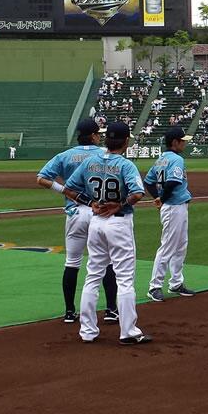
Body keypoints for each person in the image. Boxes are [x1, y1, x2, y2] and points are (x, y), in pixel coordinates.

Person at [62, 121, 150, 344]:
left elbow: (69, 189)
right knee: (124, 278)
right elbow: (138, 193)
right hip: (118, 223)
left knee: (92, 276)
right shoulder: (125, 165)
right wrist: (119, 204)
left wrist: (90, 202)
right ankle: (128, 331)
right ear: (126, 141)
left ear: (107, 140)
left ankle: (88, 331)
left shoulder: (91, 161)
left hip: (96, 222)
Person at [36, 118, 119, 323]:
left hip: (74, 213)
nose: (100, 136)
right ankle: (110, 310)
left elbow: (41, 179)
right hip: (98, 212)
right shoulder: (104, 154)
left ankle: (69, 312)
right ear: (93, 136)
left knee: (72, 263)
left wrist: (64, 190)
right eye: (98, 133)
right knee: (106, 262)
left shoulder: (65, 155)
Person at [143, 126, 196, 302]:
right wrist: (162, 199)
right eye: (182, 140)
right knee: (168, 246)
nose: (184, 143)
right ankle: (154, 286)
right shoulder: (176, 159)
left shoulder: (161, 159)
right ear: (175, 142)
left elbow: (148, 181)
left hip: (176, 207)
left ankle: (176, 282)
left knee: (181, 245)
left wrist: (158, 197)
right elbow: (173, 182)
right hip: (173, 207)